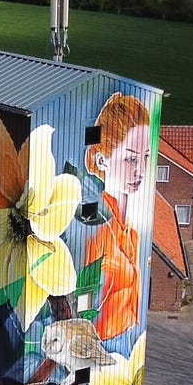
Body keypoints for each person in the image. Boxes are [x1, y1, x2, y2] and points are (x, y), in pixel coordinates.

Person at [84, 93, 153, 340]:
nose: (141, 170)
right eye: (130, 158)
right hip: (97, 352)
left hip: (124, 356)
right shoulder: (96, 228)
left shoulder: (132, 235)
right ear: (102, 160)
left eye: (146, 157)